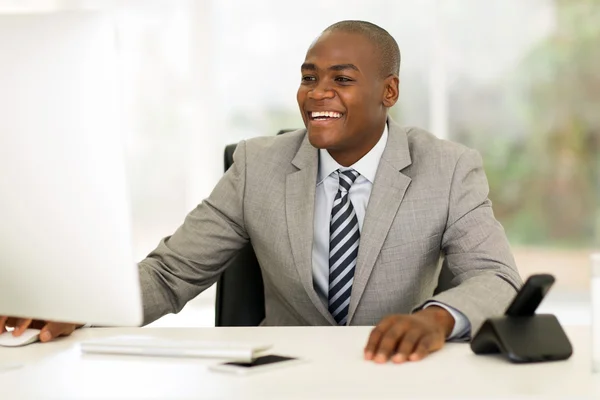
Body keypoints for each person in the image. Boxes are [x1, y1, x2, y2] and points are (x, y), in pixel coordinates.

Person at [1, 20, 522, 364]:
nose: (318, 92)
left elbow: (495, 277)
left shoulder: (449, 168)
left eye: (341, 78)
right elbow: (171, 272)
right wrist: (80, 305)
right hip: (281, 380)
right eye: (309, 77)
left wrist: (434, 321)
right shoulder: (257, 166)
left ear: (389, 91)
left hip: (401, 378)